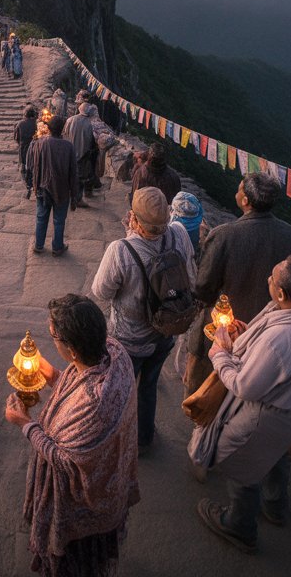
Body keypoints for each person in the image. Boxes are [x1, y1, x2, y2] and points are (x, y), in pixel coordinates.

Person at [195, 255, 291, 553]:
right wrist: (250, 338)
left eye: (273, 278)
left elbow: (244, 386)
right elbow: (288, 363)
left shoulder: (279, 339)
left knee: (243, 468)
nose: (268, 280)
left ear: (281, 295)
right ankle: (275, 505)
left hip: (268, 418)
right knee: (276, 456)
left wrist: (221, 353)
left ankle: (239, 525)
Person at [5, 294, 139, 577]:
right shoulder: (116, 352)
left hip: (85, 503)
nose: (51, 339)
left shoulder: (93, 406)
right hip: (113, 479)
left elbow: (66, 459)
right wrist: (52, 373)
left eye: (53, 335)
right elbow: (78, 379)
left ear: (74, 350)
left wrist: (25, 423)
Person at [184, 172, 291, 394]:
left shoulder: (223, 235)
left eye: (239, 188)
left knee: (206, 394)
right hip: (271, 338)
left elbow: (204, 287)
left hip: (222, 331)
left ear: (245, 200)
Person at [90, 187, 196, 453]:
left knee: (119, 389)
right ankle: (144, 437)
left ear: (133, 218)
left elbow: (101, 291)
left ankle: (111, 438)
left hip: (129, 338)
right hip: (166, 332)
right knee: (148, 385)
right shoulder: (180, 235)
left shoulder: (121, 250)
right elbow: (191, 278)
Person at [30, 115, 78, 256]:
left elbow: (35, 166)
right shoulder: (68, 146)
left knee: (41, 217)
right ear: (62, 129)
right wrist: (74, 196)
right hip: (62, 190)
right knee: (59, 220)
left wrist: (35, 185)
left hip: (42, 188)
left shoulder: (40, 143)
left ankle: (39, 245)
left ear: (49, 128)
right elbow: (73, 173)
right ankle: (57, 247)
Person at [63, 103, 98, 200]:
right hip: (85, 153)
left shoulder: (70, 120)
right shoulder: (91, 123)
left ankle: (71, 194)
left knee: (71, 174)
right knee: (82, 176)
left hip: (70, 152)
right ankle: (79, 198)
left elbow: (64, 134)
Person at [13, 106, 38, 199]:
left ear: (25, 114)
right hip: (34, 149)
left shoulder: (19, 124)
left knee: (24, 167)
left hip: (23, 149)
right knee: (34, 166)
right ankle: (35, 185)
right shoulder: (36, 124)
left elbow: (16, 138)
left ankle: (28, 187)